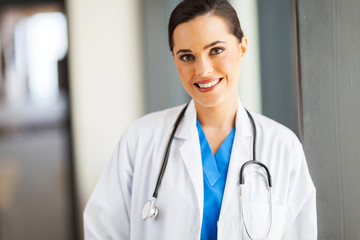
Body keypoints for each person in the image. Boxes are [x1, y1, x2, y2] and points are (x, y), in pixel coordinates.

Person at [83, 0, 317, 239]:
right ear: (174, 59)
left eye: (216, 50)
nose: (203, 70)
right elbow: (102, 230)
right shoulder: (140, 139)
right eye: (187, 56)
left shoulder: (282, 147)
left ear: (242, 48)